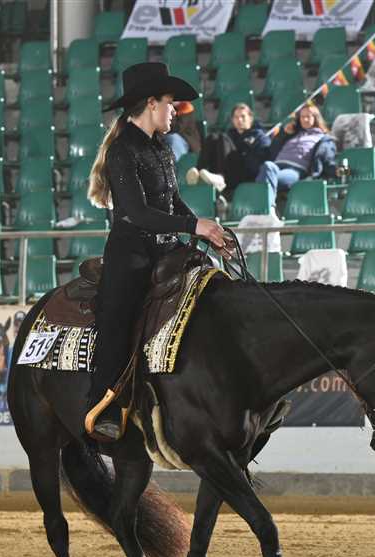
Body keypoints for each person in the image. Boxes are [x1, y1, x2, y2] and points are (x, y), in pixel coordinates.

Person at [84, 62, 232, 441]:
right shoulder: (122, 151)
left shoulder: (160, 148)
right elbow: (137, 213)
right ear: (151, 103)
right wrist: (193, 227)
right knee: (118, 317)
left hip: (166, 247)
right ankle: (105, 404)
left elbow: (172, 202)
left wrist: (207, 231)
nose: (174, 112)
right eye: (169, 103)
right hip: (131, 251)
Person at [256, 104, 337, 209]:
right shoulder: (292, 134)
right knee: (267, 166)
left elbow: (327, 160)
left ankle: (266, 209)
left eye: (308, 116)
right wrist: (283, 134)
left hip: (295, 171)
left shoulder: (323, 138)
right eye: (302, 117)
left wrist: (336, 171)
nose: (305, 119)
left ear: (316, 118)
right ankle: (266, 209)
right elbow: (272, 150)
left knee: (265, 177)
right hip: (276, 167)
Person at [187, 103, 270, 196]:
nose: (239, 120)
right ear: (232, 120)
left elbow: (261, 160)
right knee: (212, 137)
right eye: (236, 117)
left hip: (245, 173)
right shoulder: (231, 134)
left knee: (223, 138)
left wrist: (245, 149)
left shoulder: (259, 136)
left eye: (243, 116)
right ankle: (198, 174)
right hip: (229, 171)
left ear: (250, 118)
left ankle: (221, 178)